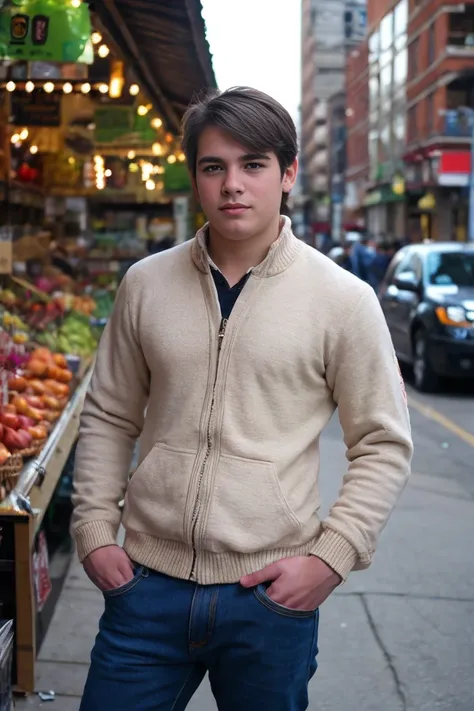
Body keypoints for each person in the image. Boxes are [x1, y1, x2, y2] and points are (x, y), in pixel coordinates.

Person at [72, 87, 413, 711]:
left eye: (253, 164)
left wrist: (330, 560)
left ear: (286, 174)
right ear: (196, 179)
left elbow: (383, 442)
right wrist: (94, 528)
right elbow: (110, 413)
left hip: (269, 598)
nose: (233, 184)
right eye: (214, 167)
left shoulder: (343, 299)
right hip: (146, 588)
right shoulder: (145, 284)